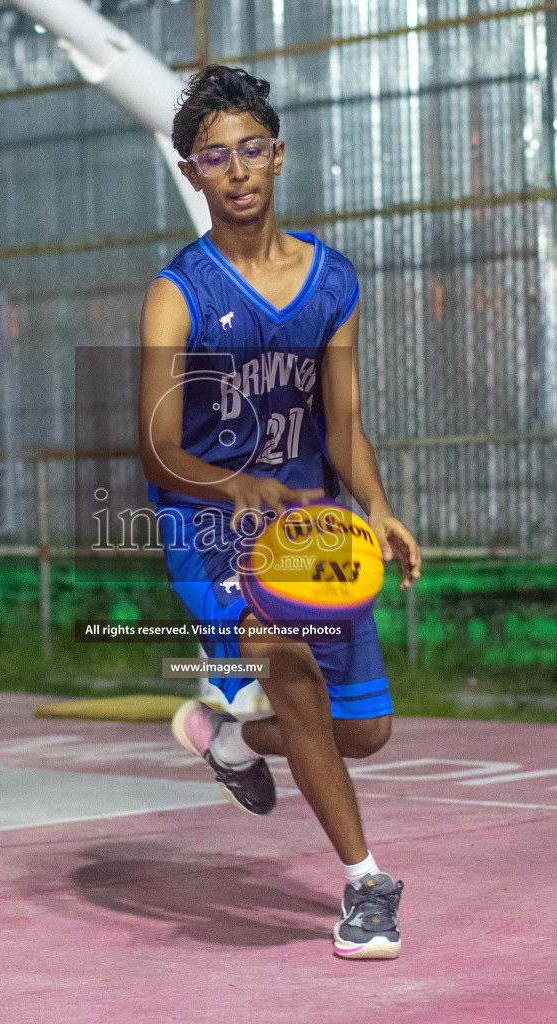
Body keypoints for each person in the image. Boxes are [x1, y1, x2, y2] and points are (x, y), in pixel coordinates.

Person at [138, 66, 421, 960]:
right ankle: (366, 883)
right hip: (209, 522)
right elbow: (155, 447)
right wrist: (232, 488)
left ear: (278, 154)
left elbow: (343, 424)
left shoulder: (332, 280)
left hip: (309, 525)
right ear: (192, 174)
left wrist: (376, 506)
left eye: (250, 148)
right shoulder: (177, 292)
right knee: (296, 675)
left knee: (364, 730)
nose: (237, 169)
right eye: (214, 156)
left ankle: (231, 736)